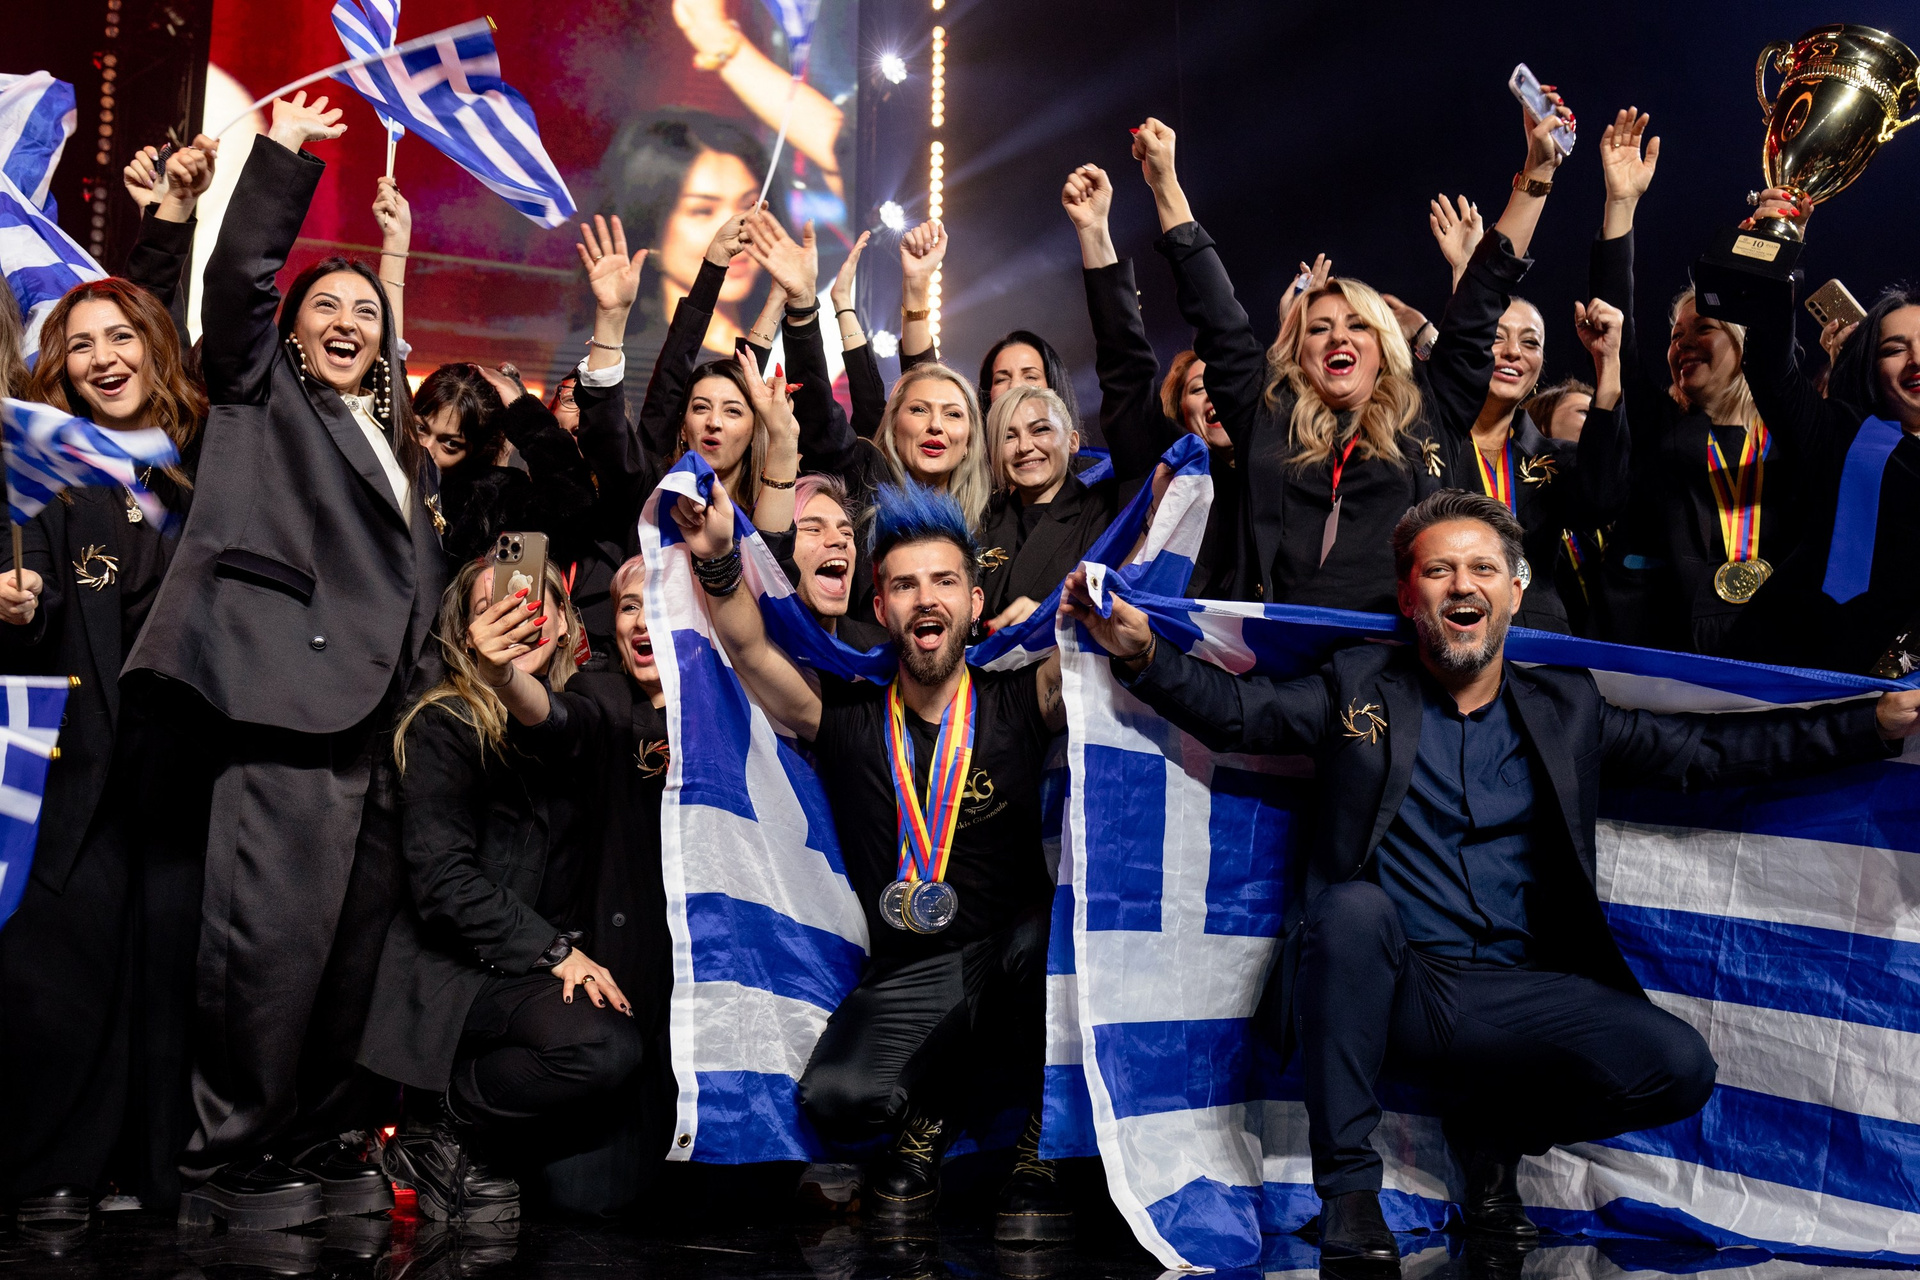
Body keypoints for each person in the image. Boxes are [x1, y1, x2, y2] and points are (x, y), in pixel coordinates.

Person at [1060, 488, 1920, 1262]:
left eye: (1481, 569)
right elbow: (1240, 713)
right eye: (1438, 570)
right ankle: (1350, 1194)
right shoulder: (1357, 685)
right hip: (1395, 986)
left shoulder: (1567, 708)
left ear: (1514, 590)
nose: (1460, 584)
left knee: (1680, 1067)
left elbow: (1707, 753)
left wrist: (1870, 724)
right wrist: (1143, 654)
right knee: (1351, 911)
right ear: (1410, 596)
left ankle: (1494, 1135)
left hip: (1519, 994)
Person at [123, 93, 448, 1229]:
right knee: (262, 950)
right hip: (281, 703)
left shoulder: (401, 441)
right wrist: (283, 160)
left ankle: (310, 1139)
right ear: (296, 331)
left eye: (369, 310)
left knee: (351, 959)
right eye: (330, 306)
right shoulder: (260, 388)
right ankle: (224, 1158)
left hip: (385, 729)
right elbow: (239, 286)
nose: (351, 321)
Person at [671, 479, 1074, 1242]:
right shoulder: (849, 718)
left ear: (974, 602)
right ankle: (935, 1110)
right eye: (906, 585)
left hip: (1016, 954)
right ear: (882, 606)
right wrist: (719, 559)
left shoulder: (1020, 699)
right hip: (911, 972)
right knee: (836, 1100)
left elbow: (1097, 650)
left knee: (1044, 941)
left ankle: (1040, 1143)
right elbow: (749, 648)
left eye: (944, 582)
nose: (926, 599)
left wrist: (1155, 521)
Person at [0, 245, 211, 1229]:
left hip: (189, 777)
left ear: (154, 346)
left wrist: (172, 221)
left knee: (169, 984)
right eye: (79, 345)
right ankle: (54, 1174)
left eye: (120, 336)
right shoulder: (48, 471)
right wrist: (15, 604)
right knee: (65, 979)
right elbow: (32, 611)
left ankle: (154, 1172)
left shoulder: (202, 464)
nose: (102, 357)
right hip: (78, 768)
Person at [365, 560, 643, 1222]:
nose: (514, 618)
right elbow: (444, 882)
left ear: (566, 621)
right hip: (460, 973)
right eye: (491, 608)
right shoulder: (443, 722)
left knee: (588, 1188)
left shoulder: (588, 713)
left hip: (538, 973)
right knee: (600, 1047)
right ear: (467, 633)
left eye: (528, 600)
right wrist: (556, 952)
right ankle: (440, 1121)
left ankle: (471, 1143)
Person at [1135, 116, 1445, 608]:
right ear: (1297, 352)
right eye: (1318, 329)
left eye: (1357, 325)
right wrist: (1166, 185)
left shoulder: (1422, 415)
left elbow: (1475, 328)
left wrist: (1537, 173)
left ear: (1384, 345)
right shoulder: (1268, 418)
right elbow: (1219, 321)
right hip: (1281, 644)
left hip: (1393, 645)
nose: (1338, 336)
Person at [1587, 110, 1800, 654]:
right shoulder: (1662, 425)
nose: (1682, 344)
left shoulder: (1792, 431)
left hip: (1780, 642)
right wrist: (1620, 205)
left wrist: (1779, 240)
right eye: (1675, 336)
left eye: (1702, 328)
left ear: (1742, 342)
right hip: (1673, 647)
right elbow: (1616, 325)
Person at [1418, 102, 1632, 634]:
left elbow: (1603, 497)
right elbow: (1462, 346)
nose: (1513, 351)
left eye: (1530, 342)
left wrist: (1608, 365)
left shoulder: (1554, 462)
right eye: (1498, 338)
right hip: (1441, 637)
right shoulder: (1426, 439)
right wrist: (1468, 275)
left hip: (1538, 645)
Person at [1721, 192, 1920, 676]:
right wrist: (1779, 243)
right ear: (1870, 367)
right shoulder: (1844, 435)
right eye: (1895, 349)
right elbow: (1771, 369)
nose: (1916, 360)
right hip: (1816, 680)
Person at [1061, 162, 1237, 596]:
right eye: (1198, 388)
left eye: (1223, 383)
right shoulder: (1158, 463)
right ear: (1179, 411)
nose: (1214, 395)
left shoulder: (1273, 473)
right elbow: (1126, 368)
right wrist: (1094, 233)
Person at [590, 109, 772, 403]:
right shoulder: (616, 362)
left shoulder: (784, 343)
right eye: (703, 210)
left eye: (747, 205)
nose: (735, 231)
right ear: (651, 229)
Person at [412, 362, 597, 567]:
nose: (426, 448)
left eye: (450, 444)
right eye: (420, 428)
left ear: (476, 451)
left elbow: (573, 508)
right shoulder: (384, 467)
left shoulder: (491, 501)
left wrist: (524, 413)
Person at [977, 384, 1117, 631]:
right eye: (1008, 436)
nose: (1024, 446)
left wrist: (1048, 619)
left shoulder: (1104, 513)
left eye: (1040, 429)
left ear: (1072, 441)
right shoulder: (981, 520)